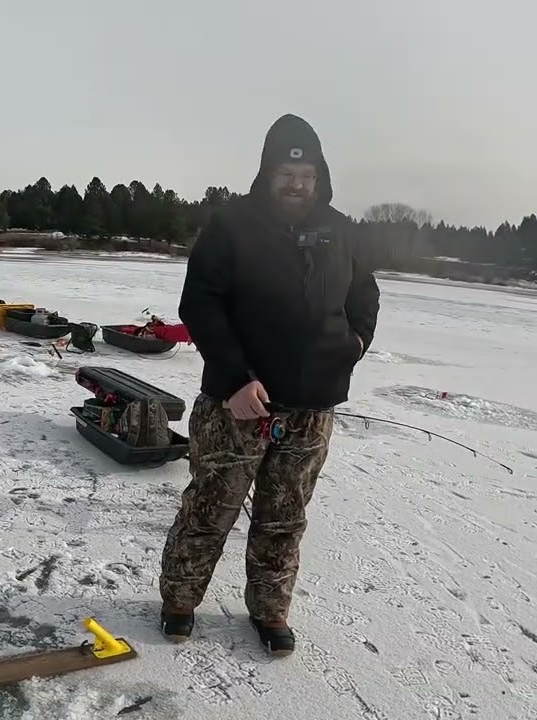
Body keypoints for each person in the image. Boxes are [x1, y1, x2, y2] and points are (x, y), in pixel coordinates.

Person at [157, 114, 380, 656]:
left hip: (311, 406)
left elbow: (365, 297)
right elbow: (200, 304)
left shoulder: (342, 229)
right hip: (236, 404)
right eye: (286, 171)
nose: (297, 183)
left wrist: (353, 346)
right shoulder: (231, 226)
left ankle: (270, 611)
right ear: (268, 173)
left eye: (306, 173)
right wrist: (234, 378)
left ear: (320, 176)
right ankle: (180, 601)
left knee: (285, 517)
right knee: (210, 507)